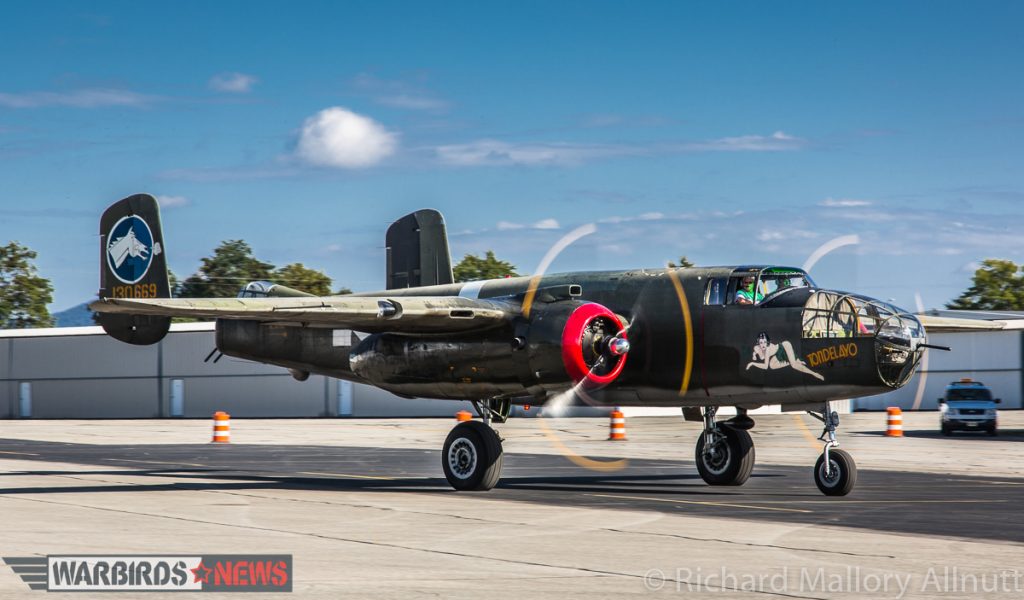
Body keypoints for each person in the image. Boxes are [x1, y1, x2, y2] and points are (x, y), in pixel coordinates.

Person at [746, 332, 824, 380]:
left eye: (765, 342)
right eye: (761, 342)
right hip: (778, 354)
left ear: (768, 342)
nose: (763, 344)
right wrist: (754, 354)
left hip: (784, 347)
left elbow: (765, 366)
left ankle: (814, 373)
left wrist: (752, 363)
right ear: (758, 343)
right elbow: (759, 354)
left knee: (794, 365)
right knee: (772, 365)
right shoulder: (756, 348)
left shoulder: (768, 349)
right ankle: (793, 360)